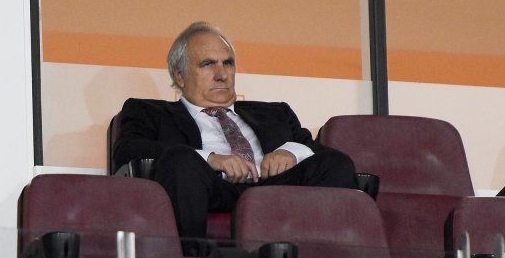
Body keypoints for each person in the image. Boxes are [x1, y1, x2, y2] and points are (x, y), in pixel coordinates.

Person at [114, 21, 357, 238]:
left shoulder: (275, 112)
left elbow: (313, 148)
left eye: (227, 63)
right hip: (210, 189)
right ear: (180, 75)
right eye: (208, 64)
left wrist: (290, 152)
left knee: (336, 163)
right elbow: (127, 150)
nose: (221, 75)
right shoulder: (149, 111)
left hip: (274, 189)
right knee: (181, 161)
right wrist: (210, 159)